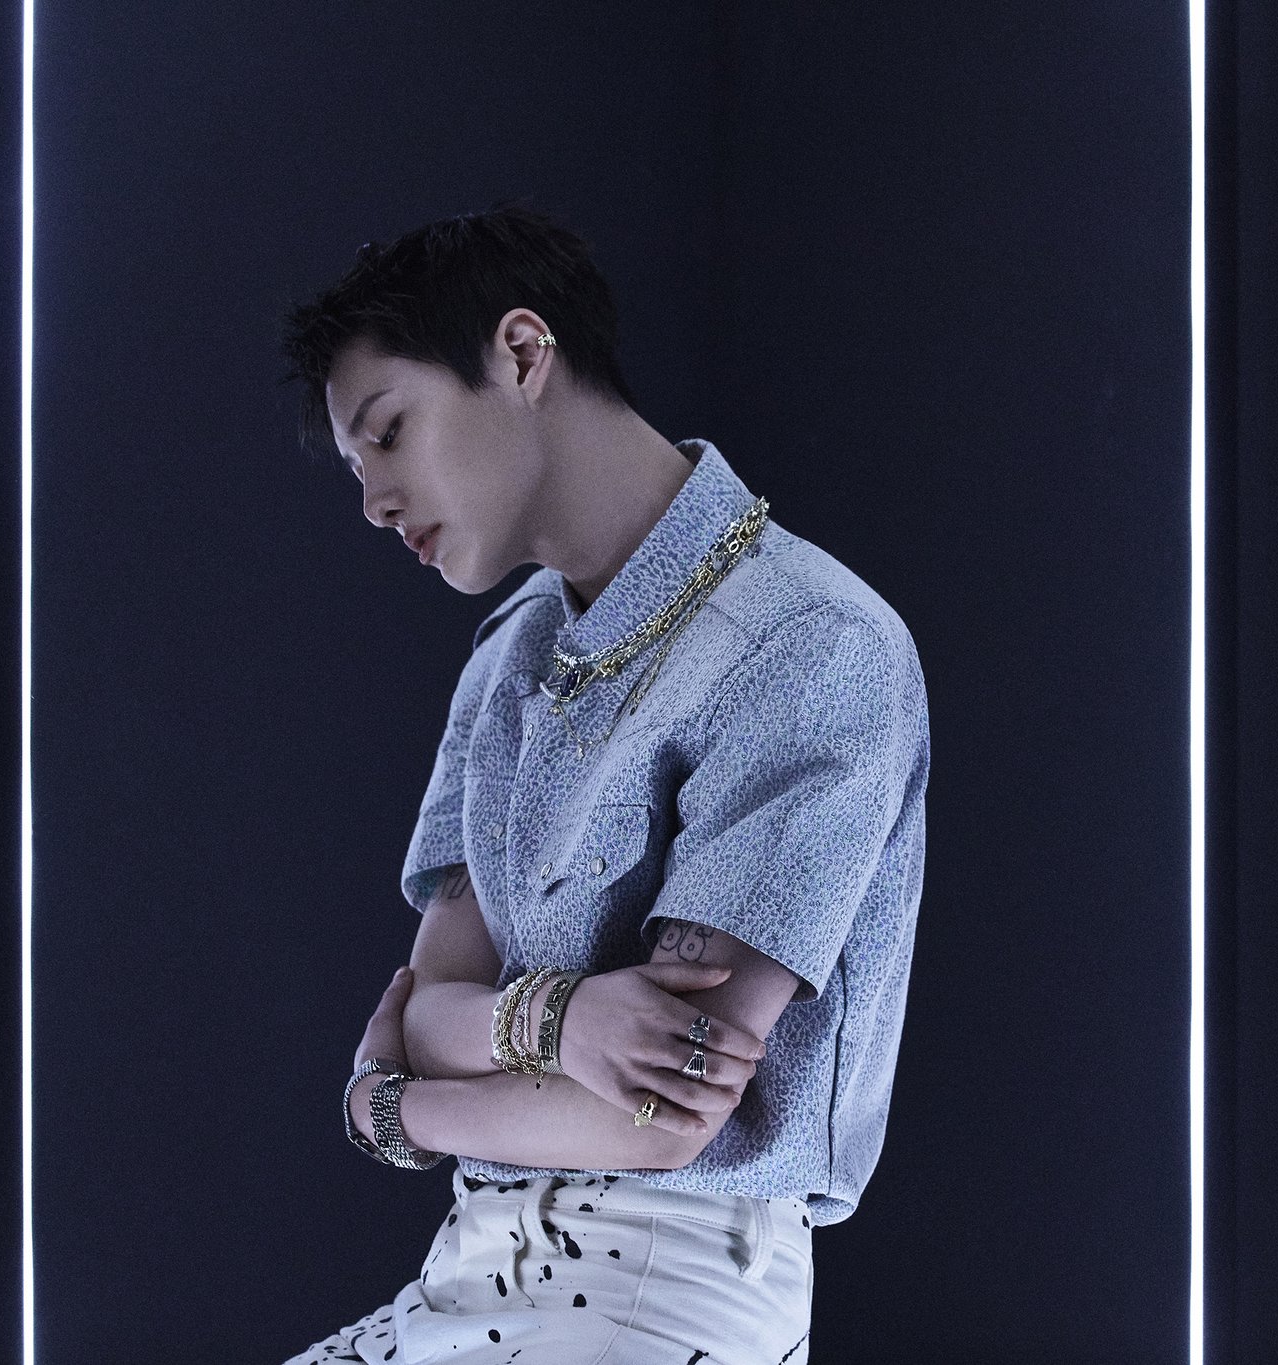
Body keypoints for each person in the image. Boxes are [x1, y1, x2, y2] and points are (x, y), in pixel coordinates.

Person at [273, 200, 929, 1365]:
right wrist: (561, 1022)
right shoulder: (509, 655)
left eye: (390, 431)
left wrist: (391, 1106)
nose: (374, 502)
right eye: (357, 468)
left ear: (522, 352)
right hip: (468, 1265)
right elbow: (426, 1010)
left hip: (666, 1289)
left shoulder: (810, 645)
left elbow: (658, 1117)